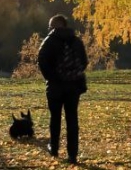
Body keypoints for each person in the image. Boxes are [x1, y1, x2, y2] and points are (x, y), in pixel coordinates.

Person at [37, 14, 88, 165]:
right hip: (74, 86)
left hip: (55, 87)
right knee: (72, 119)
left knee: (55, 118)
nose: (49, 29)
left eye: (50, 26)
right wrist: (73, 75)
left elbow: (42, 61)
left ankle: (54, 148)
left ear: (55, 26)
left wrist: (51, 78)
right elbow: (84, 61)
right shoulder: (76, 41)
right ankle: (72, 154)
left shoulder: (49, 41)